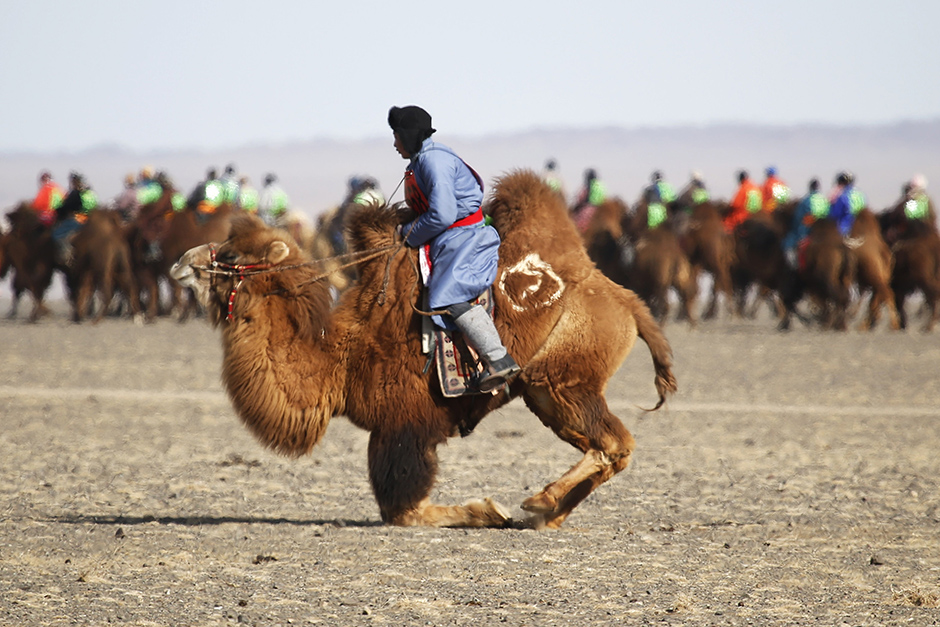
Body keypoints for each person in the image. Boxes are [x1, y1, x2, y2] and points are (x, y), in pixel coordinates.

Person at [388, 104, 520, 393]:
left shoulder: (434, 162)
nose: (394, 143)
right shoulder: (422, 159)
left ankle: (498, 358)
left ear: (408, 135)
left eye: (397, 135)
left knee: (446, 294)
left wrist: (408, 234)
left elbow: (444, 214)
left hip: (463, 237)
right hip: (447, 237)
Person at [782, 178, 830, 267]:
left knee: (787, 245)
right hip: (824, 232)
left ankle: (793, 267)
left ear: (810, 187)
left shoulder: (806, 200)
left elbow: (798, 219)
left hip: (808, 232)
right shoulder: (825, 200)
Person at [52, 171, 97, 263]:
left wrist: (58, 211)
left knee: (56, 234)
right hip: (91, 220)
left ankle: (66, 254)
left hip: (78, 219)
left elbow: (68, 206)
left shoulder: (76, 193)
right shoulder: (91, 193)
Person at [828, 171, 866, 235]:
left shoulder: (842, 196)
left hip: (844, 230)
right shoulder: (861, 195)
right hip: (861, 228)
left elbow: (835, 214)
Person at [571, 168, 606, 233]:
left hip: (591, 206)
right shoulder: (601, 185)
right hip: (602, 206)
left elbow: (582, 198)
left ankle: (580, 232)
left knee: (577, 221)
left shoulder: (590, 185)